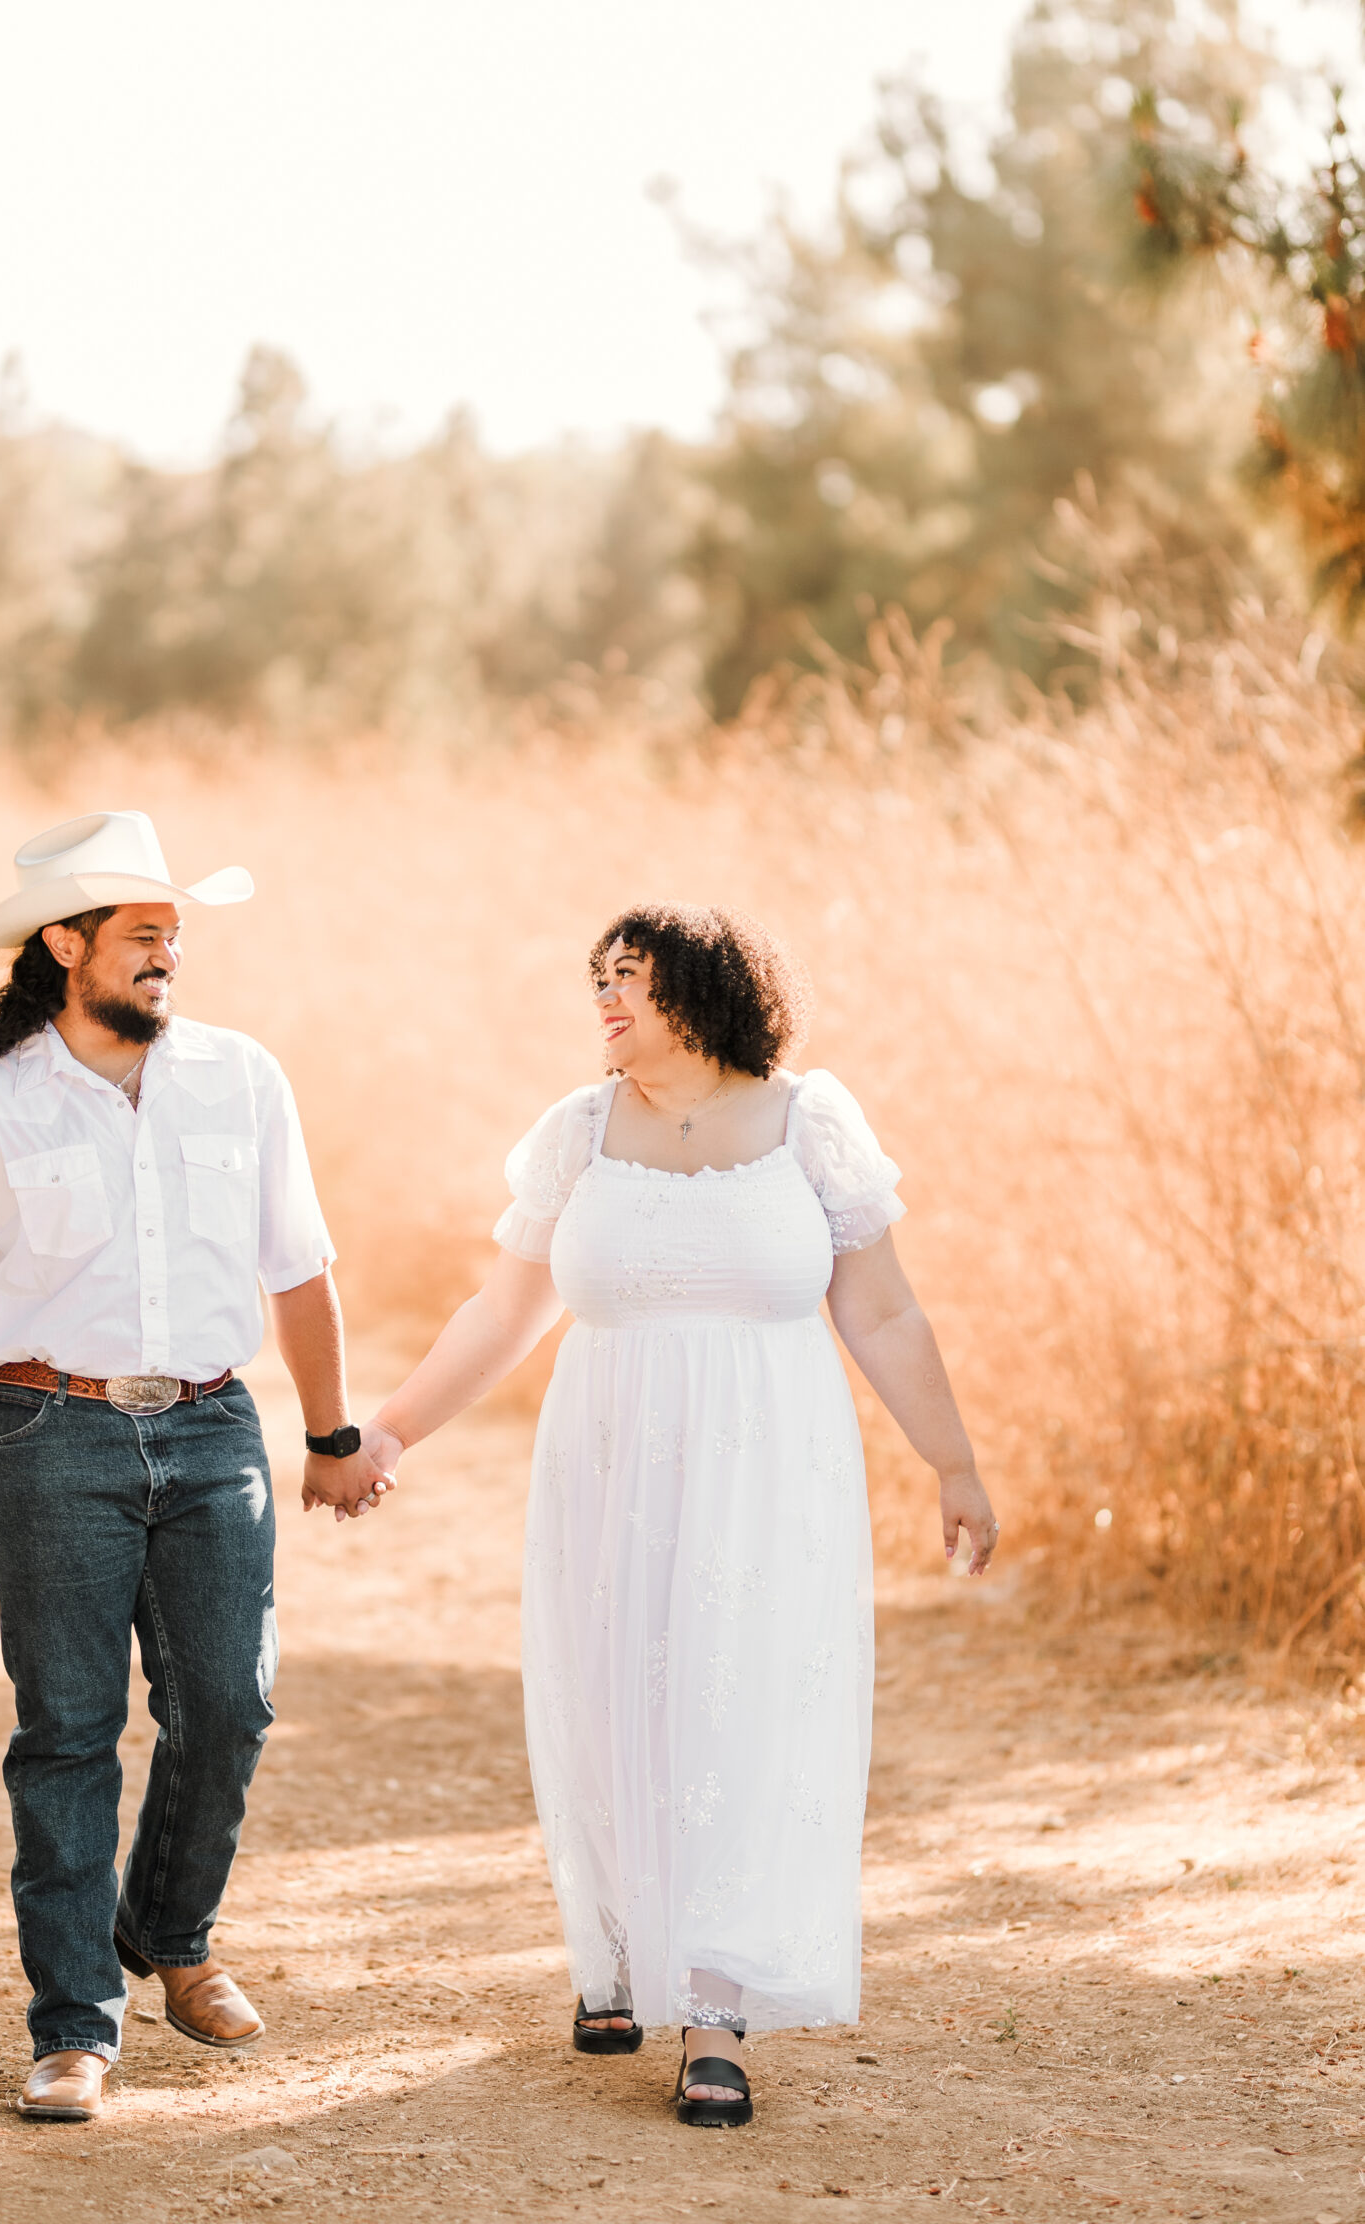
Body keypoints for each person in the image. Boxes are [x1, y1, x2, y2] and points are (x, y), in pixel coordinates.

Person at [353, 902, 996, 2127]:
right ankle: (614, 1956)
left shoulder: (812, 1122)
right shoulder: (577, 1132)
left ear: (700, 991)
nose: (602, 1001)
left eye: (627, 980)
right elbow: (501, 1315)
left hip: (772, 1465)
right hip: (611, 1456)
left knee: (741, 1696)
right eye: (594, 979)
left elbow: (886, 1313)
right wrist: (388, 1430)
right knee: (614, 1691)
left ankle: (712, 2002)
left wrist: (951, 1462)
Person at [0, 810, 390, 2124]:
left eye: (174, 935)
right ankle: (72, 2027)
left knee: (229, 1707)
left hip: (215, 1432)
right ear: (65, 945)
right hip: (45, 1438)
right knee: (65, 1733)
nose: (167, 956)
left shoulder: (241, 1077)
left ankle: (168, 1933)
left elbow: (299, 1268)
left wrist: (330, 1436)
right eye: (142, 935)